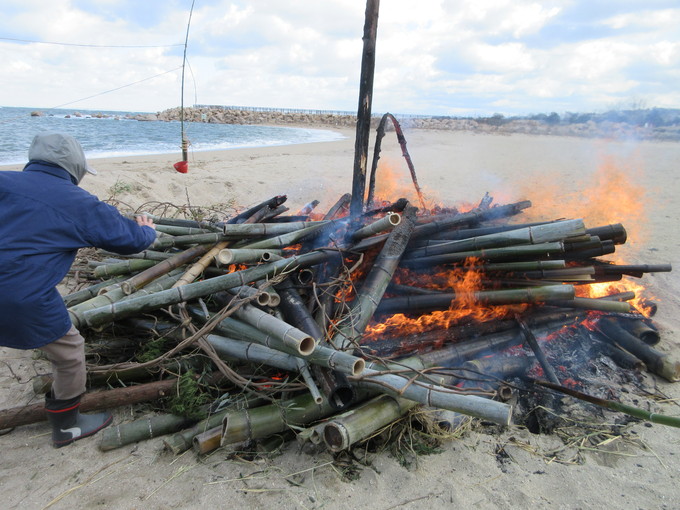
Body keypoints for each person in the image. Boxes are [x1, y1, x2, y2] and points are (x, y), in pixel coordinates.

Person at [0, 132, 157, 447]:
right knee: (69, 351)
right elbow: (129, 241)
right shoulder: (78, 202)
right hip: (20, 296)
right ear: (76, 169)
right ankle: (68, 425)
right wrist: (146, 229)